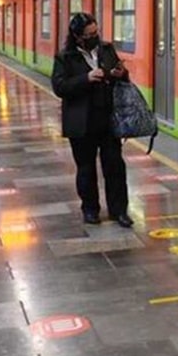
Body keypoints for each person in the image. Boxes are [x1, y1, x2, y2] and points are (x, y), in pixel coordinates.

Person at [51, 12, 134, 228]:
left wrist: (120, 73)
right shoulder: (65, 57)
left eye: (96, 32)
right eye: (89, 34)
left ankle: (119, 211)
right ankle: (90, 209)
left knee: (115, 166)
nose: (95, 36)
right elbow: (59, 87)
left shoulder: (107, 49)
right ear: (78, 37)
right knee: (86, 168)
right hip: (81, 123)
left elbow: (123, 77)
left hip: (107, 119)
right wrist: (85, 78)